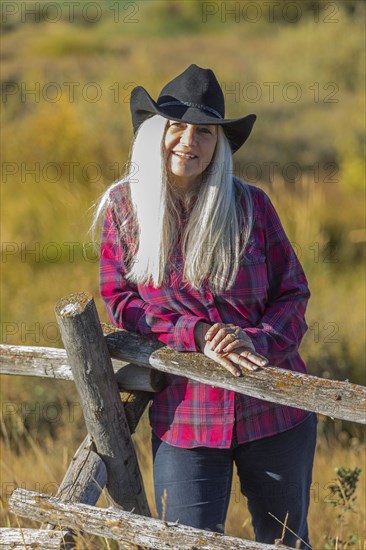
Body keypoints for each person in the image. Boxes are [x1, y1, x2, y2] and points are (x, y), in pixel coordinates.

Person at [96, 64, 317, 549]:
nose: (188, 142)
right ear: (157, 133)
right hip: (186, 415)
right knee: (187, 543)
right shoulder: (125, 210)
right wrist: (195, 334)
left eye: (204, 132)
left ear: (219, 144)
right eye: (177, 127)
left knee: (284, 541)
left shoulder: (251, 206)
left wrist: (253, 340)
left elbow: (293, 294)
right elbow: (121, 302)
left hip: (274, 407)